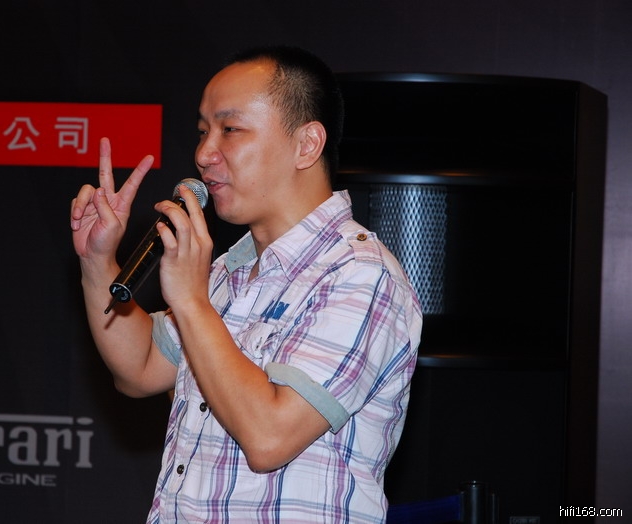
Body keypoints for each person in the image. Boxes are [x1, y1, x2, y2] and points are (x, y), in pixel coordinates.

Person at [70, 45, 422, 523]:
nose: (203, 154)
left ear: (307, 144)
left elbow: (270, 436)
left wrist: (191, 301)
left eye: (230, 130)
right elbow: (141, 368)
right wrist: (98, 262)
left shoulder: (360, 275)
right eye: (202, 132)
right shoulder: (229, 270)